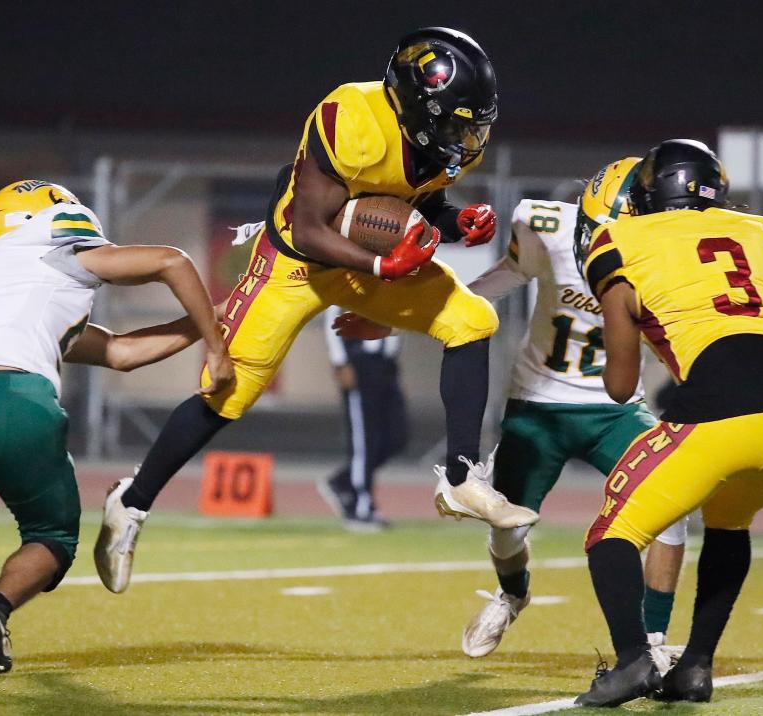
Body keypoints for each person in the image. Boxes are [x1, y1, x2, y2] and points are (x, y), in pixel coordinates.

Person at [94, 26, 537, 595]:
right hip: (294, 263)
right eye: (457, 120)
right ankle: (130, 505)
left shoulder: (437, 146)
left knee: (472, 321)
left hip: (367, 261)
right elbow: (308, 230)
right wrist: (382, 270)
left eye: (474, 121)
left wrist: (454, 222)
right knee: (227, 392)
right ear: (417, 106)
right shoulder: (352, 116)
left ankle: (460, 479)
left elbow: (412, 201)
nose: (468, 135)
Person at [335, 159, 688, 670]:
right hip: (538, 403)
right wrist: (397, 320)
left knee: (673, 505)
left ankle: (653, 639)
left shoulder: (664, 256)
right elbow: (497, 281)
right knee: (507, 527)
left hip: (616, 411)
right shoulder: (548, 228)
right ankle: (512, 596)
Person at [0, 180, 232, 672]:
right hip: (18, 398)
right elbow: (171, 262)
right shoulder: (56, 245)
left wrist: (211, 319)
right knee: (51, 535)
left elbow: (120, 351)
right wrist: (214, 347)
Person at [574, 140, 763, 706]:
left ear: (649, 194)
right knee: (730, 522)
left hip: (725, 396)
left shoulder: (622, 237)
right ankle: (694, 668)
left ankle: (635, 660)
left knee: (612, 533)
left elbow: (619, 385)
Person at [319, 305, 407, 531]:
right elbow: (333, 312)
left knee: (397, 436)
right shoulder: (356, 275)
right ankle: (361, 508)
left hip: (386, 365)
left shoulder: (398, 280)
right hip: (360, 361)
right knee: (364, 439)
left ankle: (343, 481)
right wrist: (340, 361)